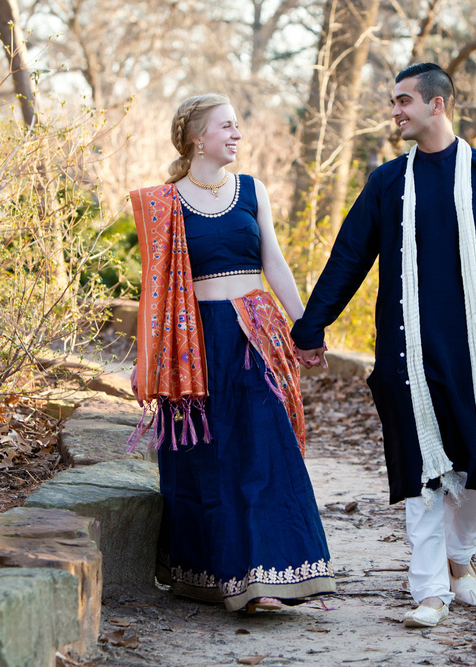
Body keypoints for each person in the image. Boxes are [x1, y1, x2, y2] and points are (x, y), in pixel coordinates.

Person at [290, 63, 476, 628]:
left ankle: (460, 555)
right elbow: (348, 258)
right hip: (406, 355)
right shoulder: (388, 182)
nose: (395, 112)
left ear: (437, 104)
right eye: (393, 102)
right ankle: (429, 591)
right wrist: (311, 327)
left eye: (404, 100)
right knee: (422, 472)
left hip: (475, 354)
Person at [128, 93, 337, 614]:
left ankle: (268, 574)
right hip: (193, 344)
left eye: (237, 125)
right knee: (206, 457)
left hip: (255, 335)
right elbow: (155, 291)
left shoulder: (251, 190)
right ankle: (216, 575)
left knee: (266, 448)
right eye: (227, 126)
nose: (237, 134)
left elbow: (275, 263)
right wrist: (146, 358)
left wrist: (306, 327)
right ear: (197, 138)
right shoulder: (164, 203)